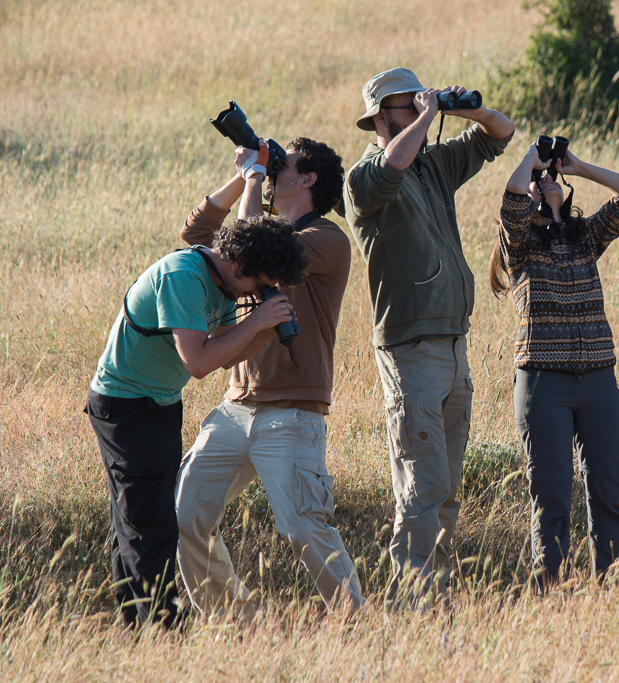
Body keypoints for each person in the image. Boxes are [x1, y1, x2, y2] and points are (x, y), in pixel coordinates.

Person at [342, 67, 515, 606]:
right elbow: (393, 162)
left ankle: (430, 593)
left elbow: (501, 134)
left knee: (445, 488)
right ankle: (411, 597)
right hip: (410, 348)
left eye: (417, 102)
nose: (416, 110)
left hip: (454, 345)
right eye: (404, 106)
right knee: (422, 485)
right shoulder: (365, 177)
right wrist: (427, 116)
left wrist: (460, 108)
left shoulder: (433, 165)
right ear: (379, 117)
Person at [174, 136, 363, 618]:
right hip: (235, 407)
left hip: (293, 410)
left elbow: (254, 250)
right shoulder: (263, 223)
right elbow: (196, 233)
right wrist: (244, 175)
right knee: (186, 517)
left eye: (286, 166)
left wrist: (258, 177)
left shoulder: (326, 240)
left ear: (308, 179)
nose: (278, 170)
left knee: (304, 528)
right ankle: (235, 625)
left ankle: (358, 626)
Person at [86, 217, 302, 630]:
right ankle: (163, 630)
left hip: (160, 403)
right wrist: (257, 321)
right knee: (153, 525)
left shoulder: (221, 283)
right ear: (238, 264)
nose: (260, 293)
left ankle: (137, 628)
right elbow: (199, 362)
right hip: (126, 407)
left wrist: (266, 331)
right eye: (260, 283)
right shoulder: (183, 277)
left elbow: (225, 352)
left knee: (136, 520)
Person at [489, 140, 619, 590]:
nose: (546, 182)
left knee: (609, 491)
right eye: (539, 182)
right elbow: (513, 198)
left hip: (598, 379)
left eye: (553, 179)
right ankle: (550, 592)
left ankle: (615, 588)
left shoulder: (586, 237)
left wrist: (578, 166)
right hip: (543, 383)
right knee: (552, 496)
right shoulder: (520, 245)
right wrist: (532, 165)